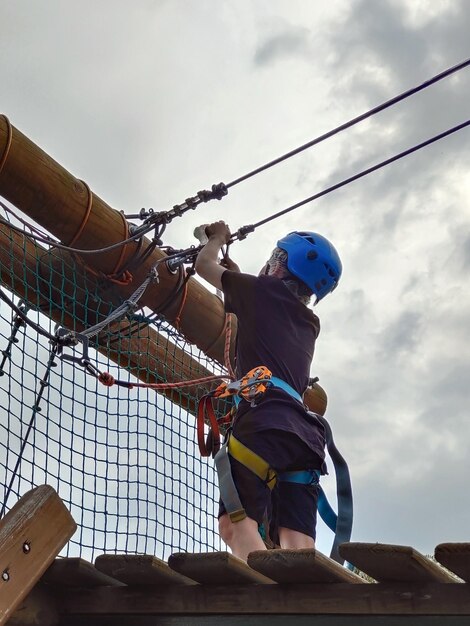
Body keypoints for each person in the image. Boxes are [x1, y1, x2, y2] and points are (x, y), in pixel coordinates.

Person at [195, 221, 342, 562]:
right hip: (304, 437)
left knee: (235, 526)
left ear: (279, 261)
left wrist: (216, 238)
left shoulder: (258, 293)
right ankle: (301, 599)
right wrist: (239, 278)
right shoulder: (308, 324)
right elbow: (267, 315)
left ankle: (269, 599)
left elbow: (204, 265)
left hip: (264, 424)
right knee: (297, 544)